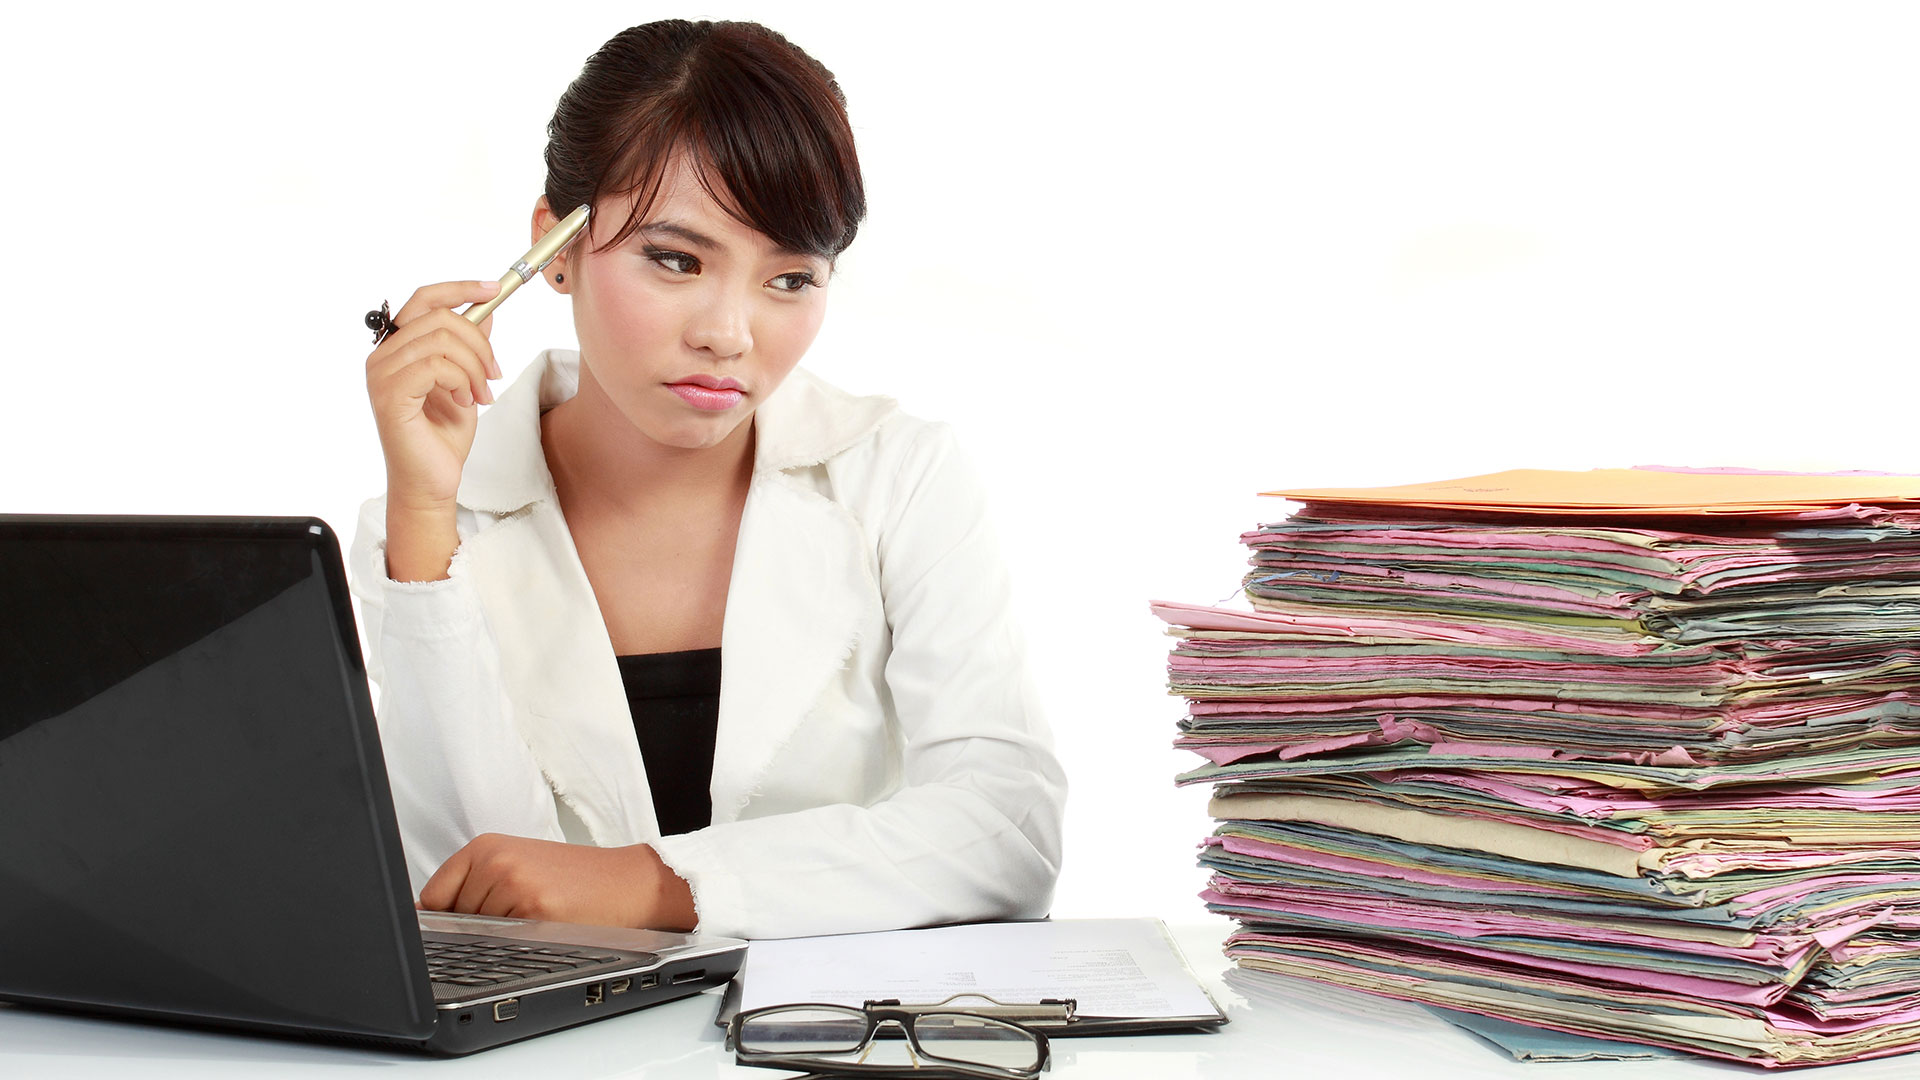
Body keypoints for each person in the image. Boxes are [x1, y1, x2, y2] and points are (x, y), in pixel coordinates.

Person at [348, 19, 1066, 941]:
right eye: (676, 259)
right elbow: (463, 900)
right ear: (555, 247)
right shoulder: (432, 524)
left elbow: (1006, 833)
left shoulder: (897, 474)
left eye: (791, 279)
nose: (729, 332)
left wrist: (658, 885)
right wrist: (421, 513)